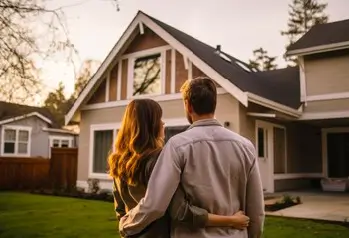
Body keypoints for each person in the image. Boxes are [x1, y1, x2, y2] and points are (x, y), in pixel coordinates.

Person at [118, 77, 265, 238]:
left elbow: (156, 205)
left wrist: (127, 225)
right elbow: (256, 211)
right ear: (214, 104)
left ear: (187, 105)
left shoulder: (177, 146)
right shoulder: (246, 146)